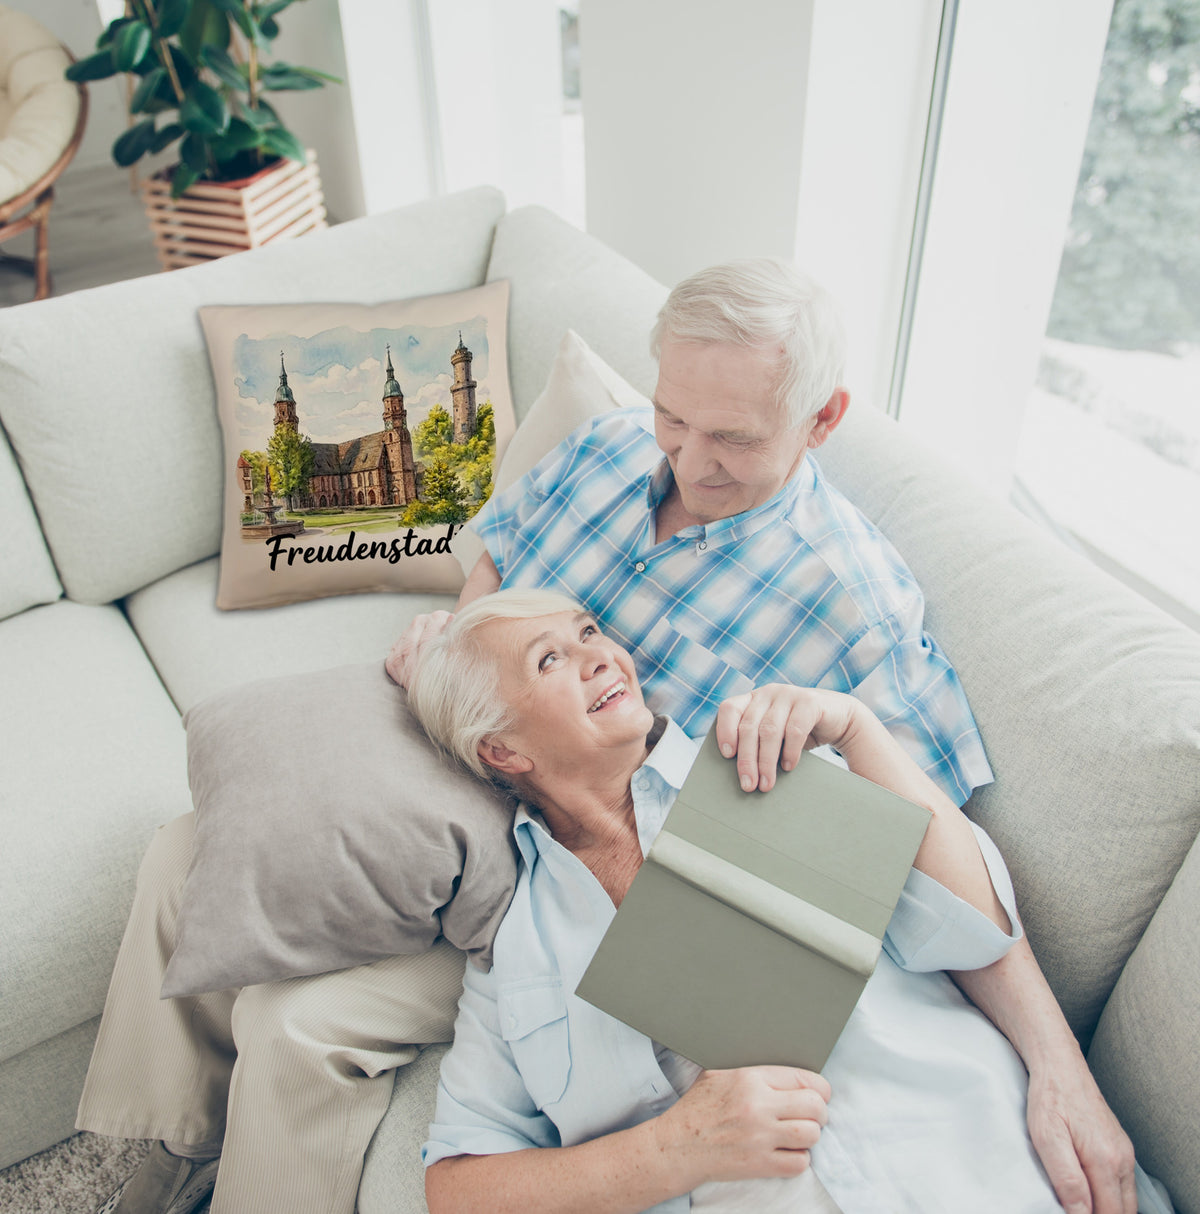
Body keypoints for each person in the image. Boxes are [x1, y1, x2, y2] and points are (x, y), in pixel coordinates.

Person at [388, 259, 1136, 1213]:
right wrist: (463, 653)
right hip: (493, 835)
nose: (689, 462)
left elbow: (943, 884)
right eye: (674, 418)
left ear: (822, 420)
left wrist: (1058, 1067)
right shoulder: (608, 451)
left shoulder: (833, 655)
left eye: (732, 438)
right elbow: (499, 550)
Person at [407, 588, 1158, 1214]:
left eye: (589, 632)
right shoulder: (516, 952)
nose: (600, 655)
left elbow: (973, 929)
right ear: (502, 750)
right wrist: (674, 1149)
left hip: (988, 1166)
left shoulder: (761, 761)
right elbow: (458, 1186)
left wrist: (859, 731)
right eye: (550, 659)